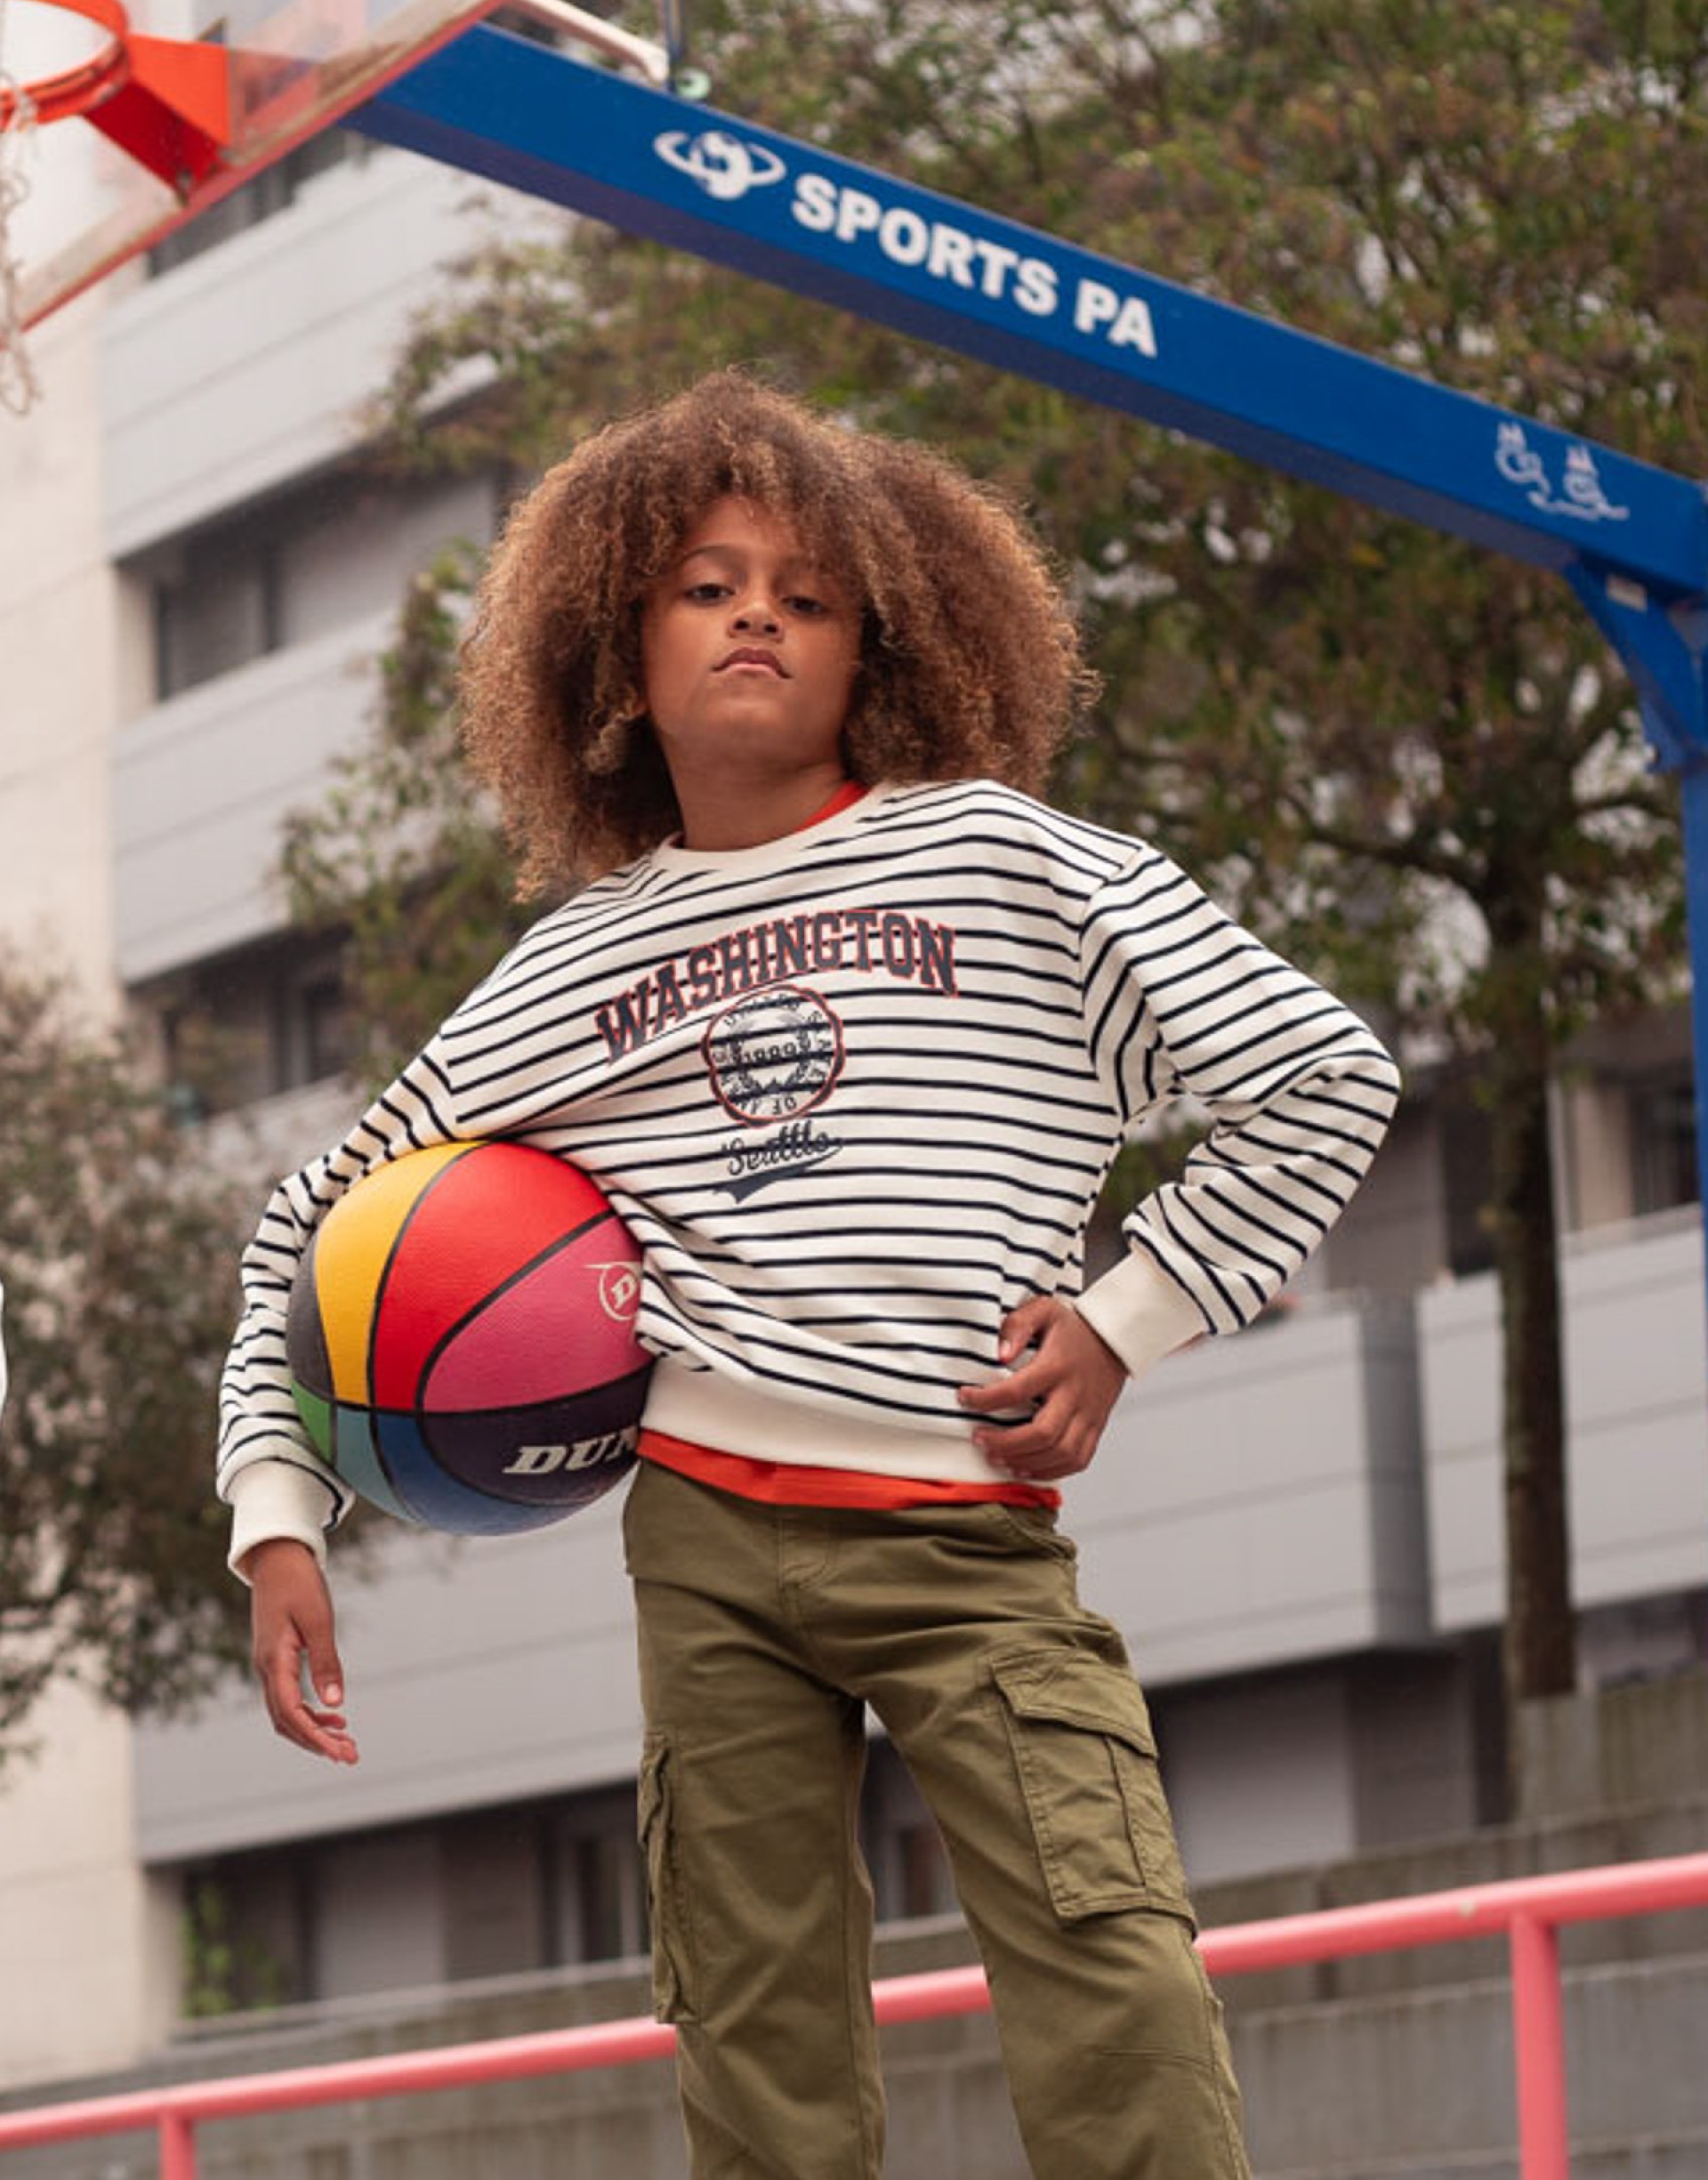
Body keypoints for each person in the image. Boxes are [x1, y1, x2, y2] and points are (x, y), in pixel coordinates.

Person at [221, 371, 1401, 2180]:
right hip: (702, 1540)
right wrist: (277, 1508)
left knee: (1114, 1975)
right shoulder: (576, 959)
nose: (755, 610)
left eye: (806, 589)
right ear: (616, 647)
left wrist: (1125, 1316)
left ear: (886, 645)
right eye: (704, 583)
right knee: (751, 2030)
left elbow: (1324, 1071)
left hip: (963, 1524)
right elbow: (314, 1216)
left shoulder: (1004, 858)